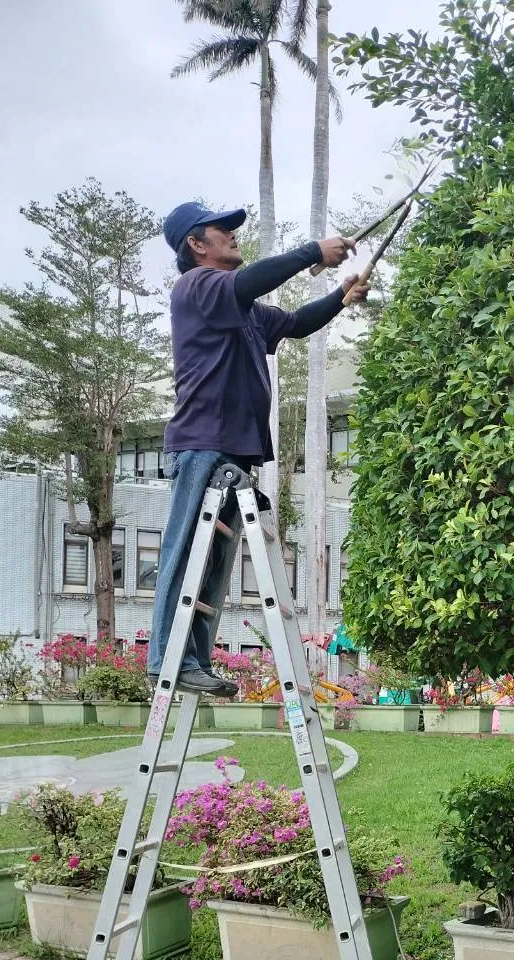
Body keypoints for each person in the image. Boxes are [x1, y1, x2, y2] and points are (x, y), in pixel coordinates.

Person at [149, 201, 368, 696]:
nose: (231, 235)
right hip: (202, 445)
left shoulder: (241, 309)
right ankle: (168, 658)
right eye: (220, 230)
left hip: (233, 454)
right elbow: (251, 282)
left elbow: (293, 322)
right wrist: (313, 250)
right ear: (196, 245)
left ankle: (194, 662)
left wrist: (341, 296)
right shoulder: (198, 287)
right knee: (184, 556)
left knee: (212, 570)